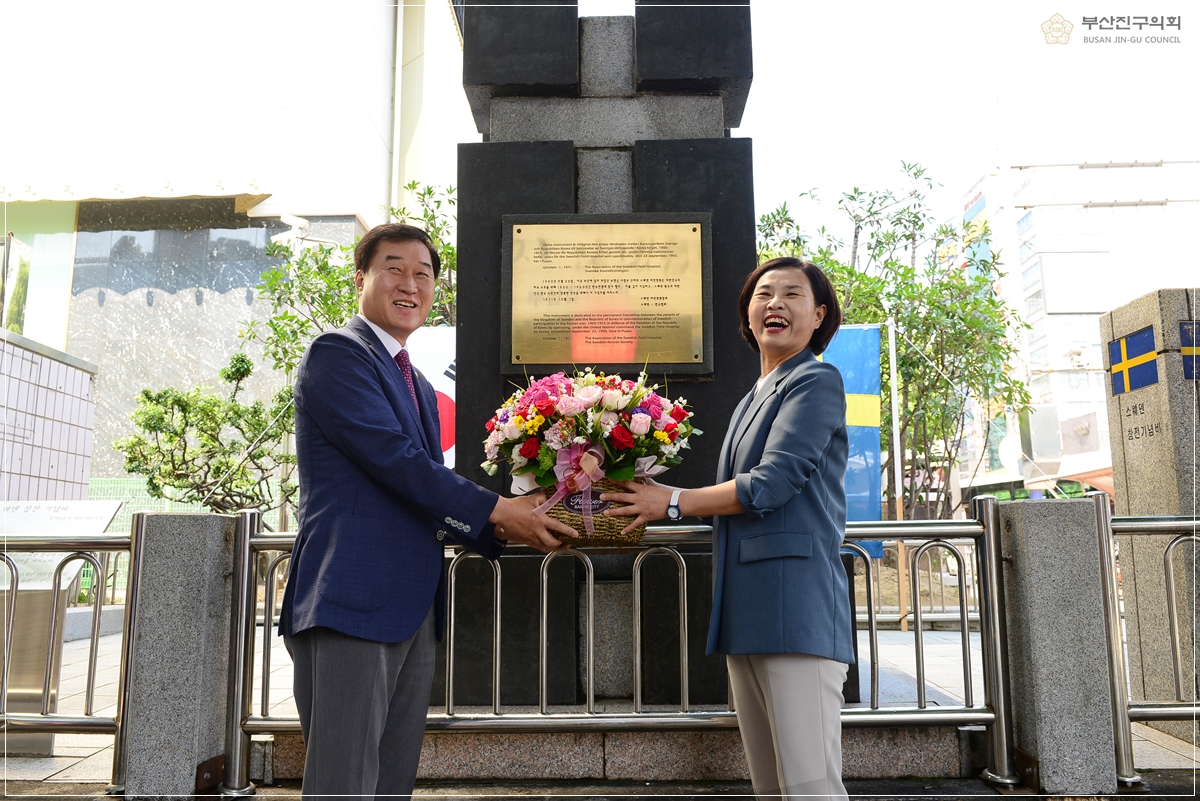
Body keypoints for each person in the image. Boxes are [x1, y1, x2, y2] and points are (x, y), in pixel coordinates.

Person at [279, 223, 576, 799]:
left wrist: (516, 518)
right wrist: (500, 511)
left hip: (410, 603)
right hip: (351, 597)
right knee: (344, 783)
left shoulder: (409, 375)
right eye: (394, 268)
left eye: (423, 274)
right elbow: (396, 462)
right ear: (361, 277)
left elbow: (421, 487)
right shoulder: (339, 353)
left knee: (391, 782)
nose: (410, 284)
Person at [602, 256, 853, 799]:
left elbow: (772, 483)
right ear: (747, 313)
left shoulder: (815, 380)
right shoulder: (754, 396)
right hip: (749, 609)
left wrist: (671, 501)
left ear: (819, 315)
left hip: (797, 607)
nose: (775, 304)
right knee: (771, 786)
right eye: (763, 295)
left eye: (792, 294)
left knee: (810, 786)